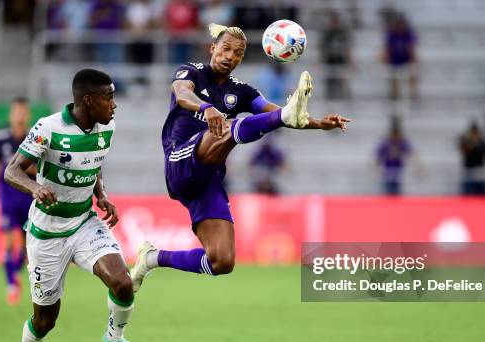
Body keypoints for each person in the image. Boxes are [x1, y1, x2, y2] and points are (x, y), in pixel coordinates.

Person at [130, 23, 348, 287]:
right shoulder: (192, 72)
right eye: (225, 49)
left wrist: (318, 124)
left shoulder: (242, 91)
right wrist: (207, 107)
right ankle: (262, 119)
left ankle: (152, 258)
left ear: (242, 58)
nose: (229, 56)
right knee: (227, 128)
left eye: (237, 53)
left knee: (222, 261)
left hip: (208, 179)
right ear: (213, 49)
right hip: (181, 159)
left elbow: (275, 114)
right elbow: (183, 93)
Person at [5, 69, 147, 342]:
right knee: (45, 320)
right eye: (108, 97)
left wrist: (102, 196)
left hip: (84, 222)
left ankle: (114, 338)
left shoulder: (107, 127)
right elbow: (12, 170)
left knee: (123, 283)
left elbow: (94, 164)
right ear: (88, 100)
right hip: (46, 233)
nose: (114, 104)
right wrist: (34, 188)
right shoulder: (48, 128)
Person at [0, 97, 34, 305]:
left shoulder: (35, 138)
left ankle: (18, 274)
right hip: (7, 197)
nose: (19, 115)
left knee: (26, 248)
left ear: (27, 114)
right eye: (16, 111)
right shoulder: (0, 138)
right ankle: (11, 284)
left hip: (28, 196)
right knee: (7, 242)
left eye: (23, 112)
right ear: (11, 114)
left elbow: (39, 170)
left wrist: (21, 169)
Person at [375, 117, 414, 195]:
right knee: (388, 189)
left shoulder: (402, 142)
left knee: (397, 190)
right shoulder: (386, 143)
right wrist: (376, 168)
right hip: (388, 169)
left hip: (398, 169)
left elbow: (411, 153)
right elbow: (379, 156)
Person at [458, 122, 485, 196]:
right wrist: (472, 144)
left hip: (479, 168)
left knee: (481, 192)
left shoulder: (482, 142)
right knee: (468, 191)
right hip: (469, 169)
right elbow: (463, 151)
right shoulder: (466, 141)